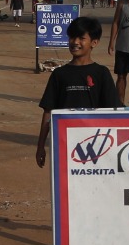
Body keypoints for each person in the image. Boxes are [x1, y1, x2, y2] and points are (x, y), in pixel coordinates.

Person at [36, 16, 122, 167]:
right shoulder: (59, 74)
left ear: (94, 42)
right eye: (72, 37)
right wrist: (40, 145)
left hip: (97, 145)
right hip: (65, 143)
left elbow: (113, 111)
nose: (75, 42)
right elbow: (48, 112)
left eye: (81, 38)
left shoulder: (101, 73)